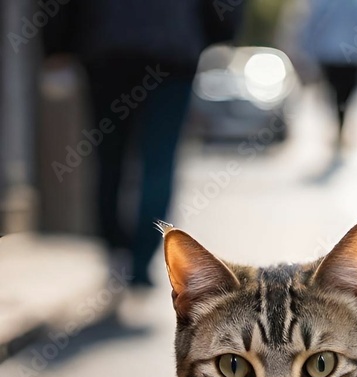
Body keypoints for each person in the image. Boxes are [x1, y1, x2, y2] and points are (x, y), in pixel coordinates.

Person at [44, 0, 241, 287]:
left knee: (109, 160)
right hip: (172, 52)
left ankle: (116, 250)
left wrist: (57, 46)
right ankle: (138, 260)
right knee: (158, 164)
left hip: (110, 50)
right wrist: (217, 31)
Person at [299, 0, 357, 151]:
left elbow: (312, 27)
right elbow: (313, 27)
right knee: (337, 96)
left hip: (346, 57)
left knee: (342, 95)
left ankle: (340, 126)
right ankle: (339, 126)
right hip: (336, 57)